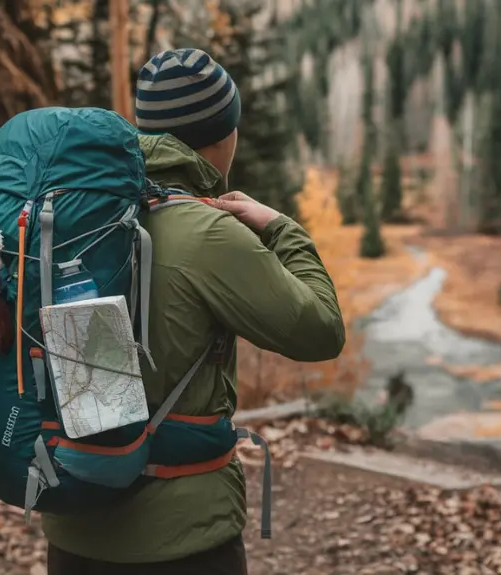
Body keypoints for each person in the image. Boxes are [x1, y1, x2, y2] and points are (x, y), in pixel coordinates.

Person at [41, 48, 346, 575]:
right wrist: (280, 228)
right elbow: (321, 331)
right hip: (182, 543)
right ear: (224, 136)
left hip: (73, 530)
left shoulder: (70, 218)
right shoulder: (210, 233)